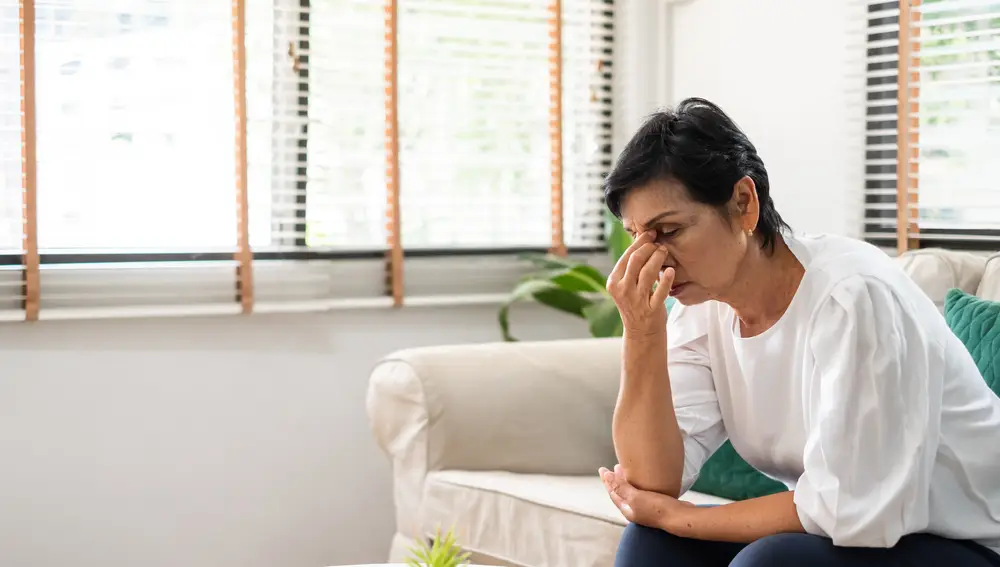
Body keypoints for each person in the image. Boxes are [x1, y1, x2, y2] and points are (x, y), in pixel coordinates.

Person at [597, 97, 1000, 567]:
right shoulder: (702, 307)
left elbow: (853, 510)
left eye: (667, 231)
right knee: (651, 545)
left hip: (968, 541)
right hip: (860, 533)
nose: (653, 259)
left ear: (744, 204)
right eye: (636, 237)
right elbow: (653, 483)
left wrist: (681, 518)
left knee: (772, 563)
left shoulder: (853, 298)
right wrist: (642, 335)